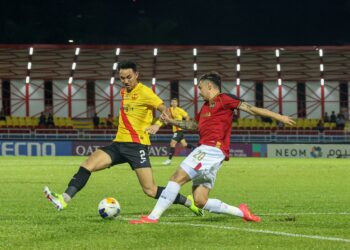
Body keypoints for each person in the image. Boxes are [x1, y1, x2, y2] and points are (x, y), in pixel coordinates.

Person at [130, 72, 295, 224]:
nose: (199, 92)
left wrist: (279, 116)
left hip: (211, 149)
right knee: (200, 200)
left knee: (176, 178)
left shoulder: (224, 98)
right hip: (213, 153)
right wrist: (172, 122)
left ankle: (153, 217)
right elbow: (193, 124)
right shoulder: (205, 107)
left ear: (210, 86)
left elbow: (251, 109)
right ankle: (242, 212)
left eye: (200, 88)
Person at [43, 61, 202, 216]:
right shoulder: (123, 92)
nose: (125, 81)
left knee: (150, 190)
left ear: (137, 75)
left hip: (137, 146)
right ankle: (64, 199)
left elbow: (164, 109)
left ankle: (188, 202)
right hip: (118, 144)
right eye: (122, 78)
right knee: (88, 164)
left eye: (129, 77)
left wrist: (157, 125)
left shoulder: (145, 92)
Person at [162, 98, 196, 165]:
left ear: (177, 103)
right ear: (171, 103)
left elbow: (187, 117)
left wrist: (186, 124)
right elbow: (168, 120)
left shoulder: (180, 110)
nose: (174, 103)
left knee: (172, 143)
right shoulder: (169, 110)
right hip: (175, 130)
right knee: (185, 144)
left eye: (175, 102)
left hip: (179, 130)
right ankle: (196, 149)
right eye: (172, 102)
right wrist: (165, 121)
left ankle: (169, 160)